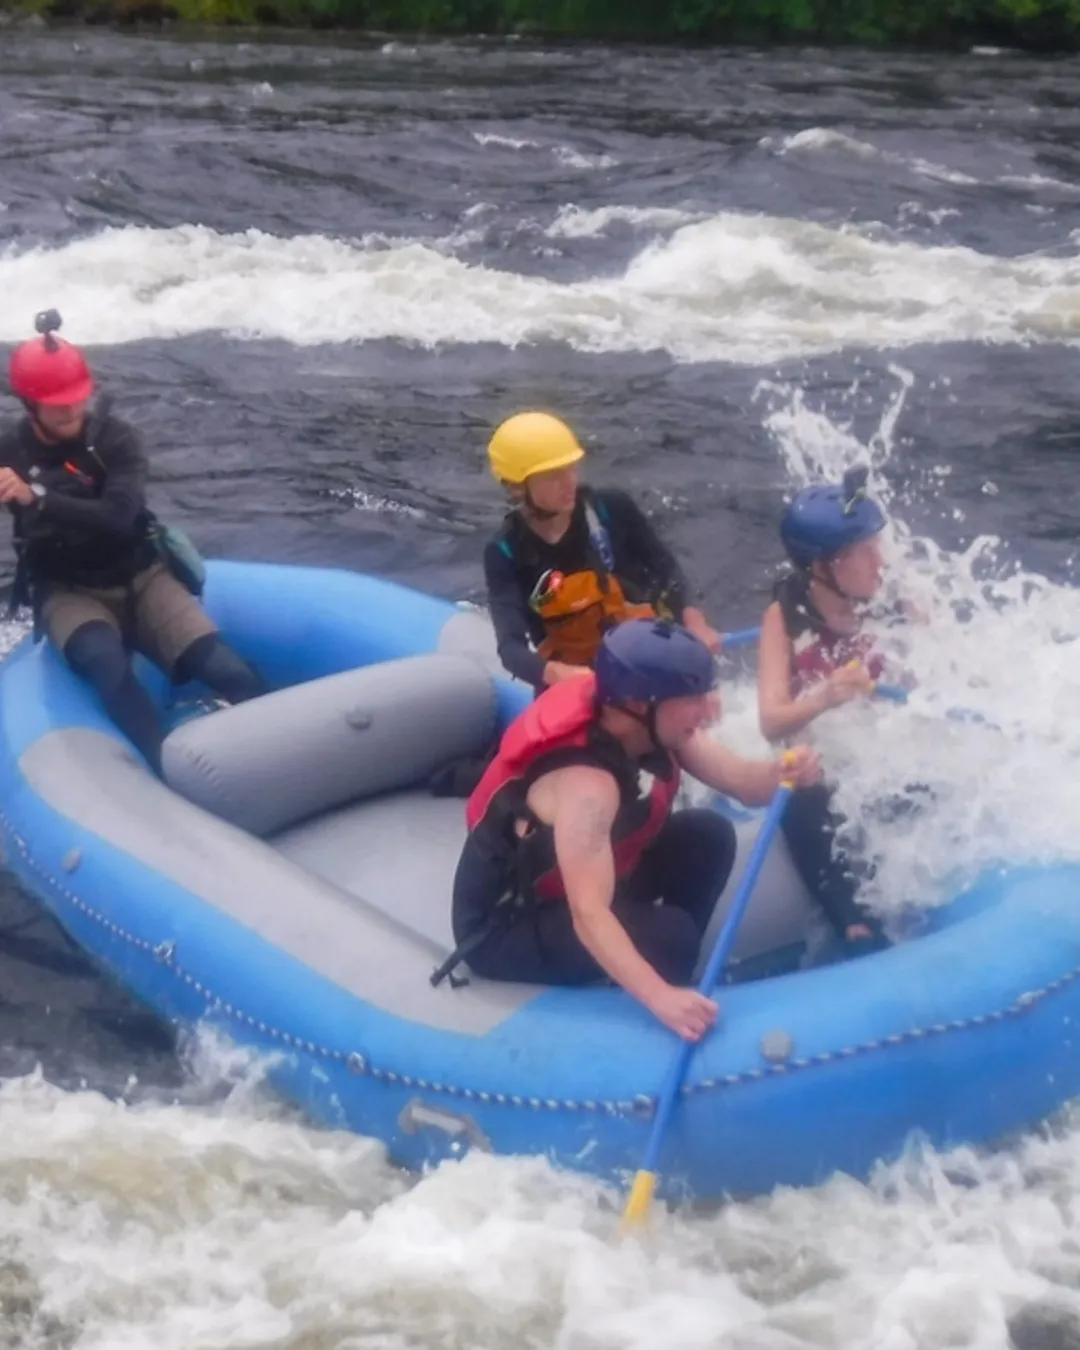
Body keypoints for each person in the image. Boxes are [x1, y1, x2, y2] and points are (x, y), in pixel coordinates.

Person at [443, 618, 820, 1042]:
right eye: (693, 698)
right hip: (505, 924)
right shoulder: (586, 788)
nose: (708, 709)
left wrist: (784, 773)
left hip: (581, 881)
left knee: (708, 836)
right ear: (640, 705)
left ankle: (667, 967)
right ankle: (654, 982)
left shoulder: (653, 724)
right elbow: (588, 913)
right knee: (671, 936)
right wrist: (661, 999)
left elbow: (744, 783)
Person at [0, 310, 265, 773]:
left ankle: (278, 739)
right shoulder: (10, 450)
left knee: (224, 668)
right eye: (57, 404)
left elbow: (118, 516)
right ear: (29, 404)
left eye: (77, 398)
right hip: (67, 589)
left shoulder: (117, 439)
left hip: (142, 576)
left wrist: (36, 498)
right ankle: (163, 769)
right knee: (104, 661)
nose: (71, 410)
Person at [756, 465, 899, 956]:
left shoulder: (895, 599)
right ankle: (850, 919)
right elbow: (770, 721)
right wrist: (827, 695)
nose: (879, 561)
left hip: (888, 746)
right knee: (802, 791)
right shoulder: (784, 616)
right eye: (864, 551)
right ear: (825, 565)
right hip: (821, 759)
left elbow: (949, 672)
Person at [483, 411, 722, 693]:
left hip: (647, 656)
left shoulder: (612, 509)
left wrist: (695, 622)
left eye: (571, 468)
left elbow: (667, 571)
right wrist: (556, 673)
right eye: (553, 475)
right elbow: (510, 648)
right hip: (576, 680)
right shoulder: (505, 552)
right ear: (516, 488)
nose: (569, 481)